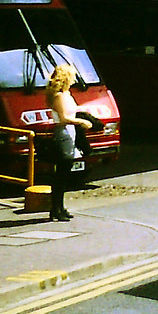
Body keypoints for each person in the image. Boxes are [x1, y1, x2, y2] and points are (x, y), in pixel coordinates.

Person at [45, 64, 93, 222]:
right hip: (64, 132)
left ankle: (60, 207)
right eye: (71, 76)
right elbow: (64, 118)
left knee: (65, 173)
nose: (73, 79)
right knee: (62, 172)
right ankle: (55, 209)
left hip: (70, 132)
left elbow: (72, 111)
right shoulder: (59, 96)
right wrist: (81, 122)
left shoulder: (67, 94)